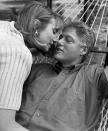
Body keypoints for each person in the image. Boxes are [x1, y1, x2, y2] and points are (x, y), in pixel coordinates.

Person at [16, 21, 108, 131]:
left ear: (83, 49)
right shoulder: (35, 69)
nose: (58, 42)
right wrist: (34, 49)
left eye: (68, 40)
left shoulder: (95, 76)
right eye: (59, 37)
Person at [0, 1, 64, 131]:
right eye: (54, 31)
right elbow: (5, 126)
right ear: (36, 26)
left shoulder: (4, 26)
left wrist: (39, 49)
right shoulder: (18, 53)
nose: (57, 39)